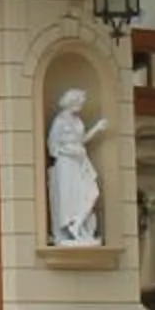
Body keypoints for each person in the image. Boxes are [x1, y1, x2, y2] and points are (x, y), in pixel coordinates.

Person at [47, 91, 107, 245]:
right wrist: (69, 151)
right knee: (70, 198)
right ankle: (71, 228)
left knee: (92, 192)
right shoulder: (60, 121)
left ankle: (78, 225)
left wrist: (96, 129)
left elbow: (82, 140)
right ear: (71, 101)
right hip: (66, 165)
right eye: (80, 101)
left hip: (81, 162)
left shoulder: (78, 121)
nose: (82, 104)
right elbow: (52, 146)